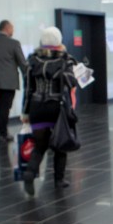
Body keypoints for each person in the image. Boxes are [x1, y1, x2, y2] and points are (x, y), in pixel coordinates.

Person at [20, 27, 78, 196]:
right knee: (60, 143)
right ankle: (59, 180)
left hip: (36, 107)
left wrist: (25, 112)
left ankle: (30, 173)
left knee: (40, 145)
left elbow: (28, 89)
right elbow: (71, 82)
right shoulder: (65, 60)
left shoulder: (32, 61)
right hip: (57, 107)